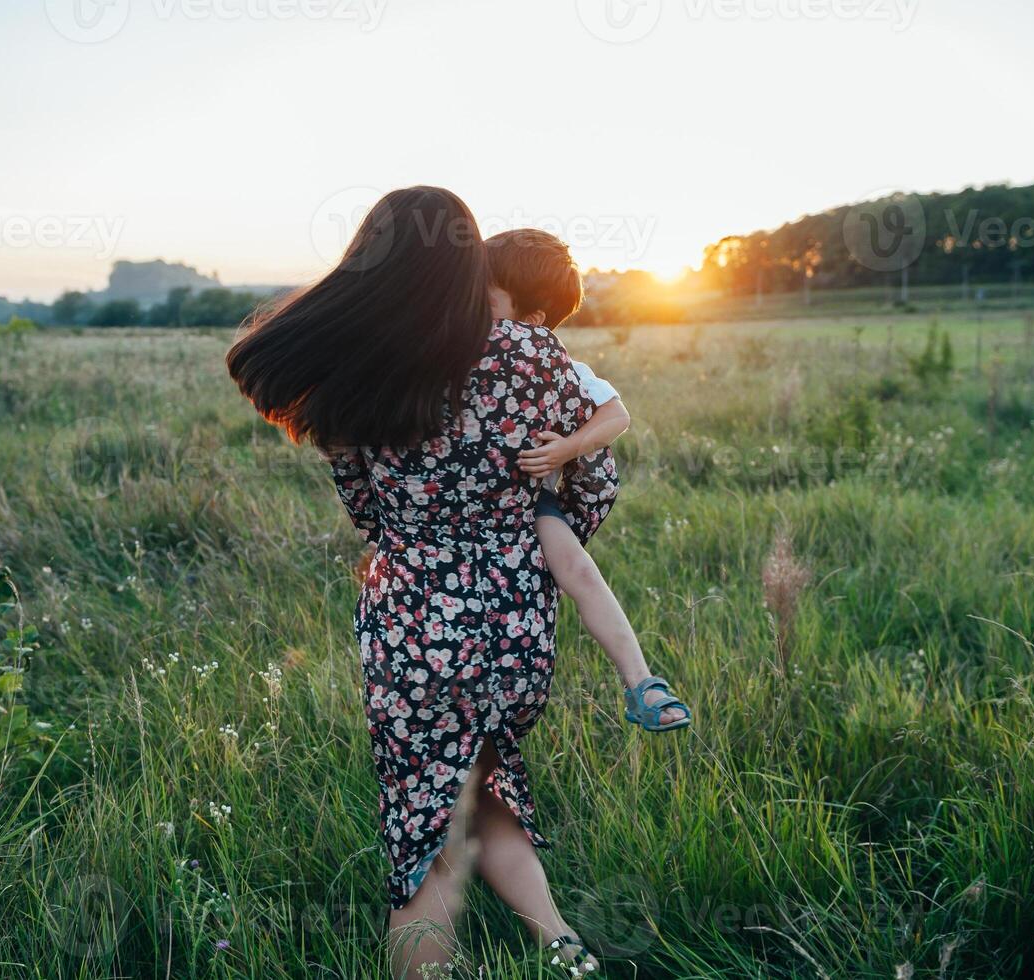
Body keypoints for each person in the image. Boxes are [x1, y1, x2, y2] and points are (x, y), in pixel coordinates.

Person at [227, 187, 615, 978]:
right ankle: (568, 954)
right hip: (515, 627)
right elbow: (593, 483)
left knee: (424, 834)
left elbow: (366, 511)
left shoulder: (352, 373)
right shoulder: (530, 354)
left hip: (412, 625)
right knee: (482, 783)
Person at [486, 229, 691, 733]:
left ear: (531, 322)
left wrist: (565, 448)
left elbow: (616, 416)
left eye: (484, 293)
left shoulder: (561, 368)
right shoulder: (453, 350)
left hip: (527, 501)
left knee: (577, 570)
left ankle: (640, 682)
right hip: (457, 508)